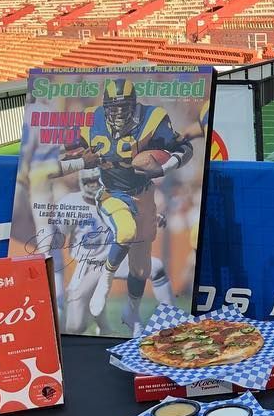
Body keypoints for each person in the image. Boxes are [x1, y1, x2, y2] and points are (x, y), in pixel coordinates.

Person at [56, 78, 203, 332]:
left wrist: (163, 167)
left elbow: (184, 148)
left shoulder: (152, 119)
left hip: (143, 194)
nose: (118, 113)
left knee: (141, 269)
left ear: (134, 105)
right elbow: (57, 155)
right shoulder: (89, 121)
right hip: (111, 195)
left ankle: (132, 311)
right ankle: (105, 283)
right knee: (125, 232)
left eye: (124, 107)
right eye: (113, 108)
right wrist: (78, 160)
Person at [55, 169, 174, 335]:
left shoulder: (115, 198)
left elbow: (136, 216)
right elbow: (56, 239)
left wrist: (153, 218)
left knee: (156, 267)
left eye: (96, 180)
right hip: (88, 266)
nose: (93, 185)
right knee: (76, 327)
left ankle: (169, 317)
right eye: (89, 181)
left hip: (115, 259)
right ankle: (98, 321)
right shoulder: (70, 202)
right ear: (81, 181)